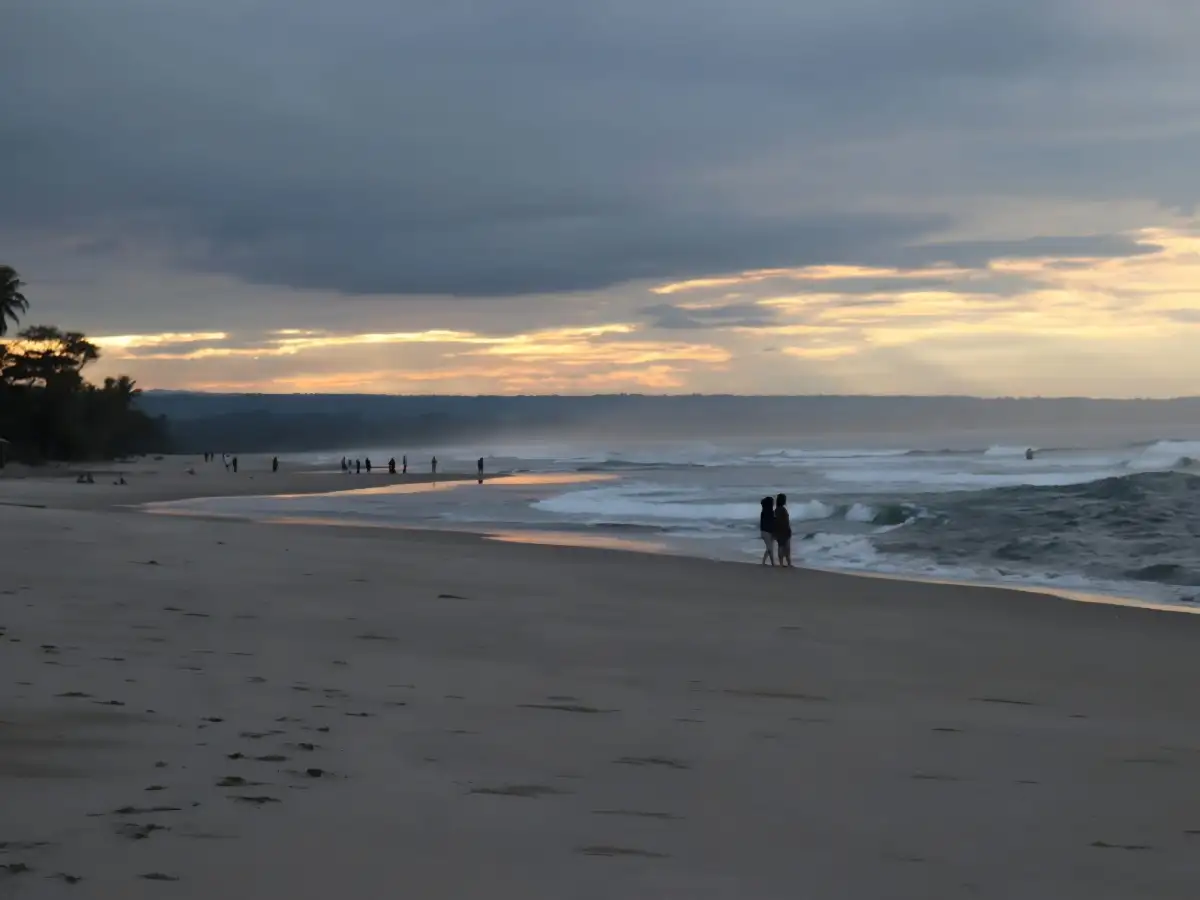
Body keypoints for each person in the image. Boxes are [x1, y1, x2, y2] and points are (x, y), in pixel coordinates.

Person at [774, 493, 792, 568]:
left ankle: (782, 563)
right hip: (784, 530)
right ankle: (788, 563)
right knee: (786, 548)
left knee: (781, 546)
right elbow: (785, 521)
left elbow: (776, 521)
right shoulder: (782, 510)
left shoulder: (777, 510)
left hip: (779, 531)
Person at [759, 496, 777, 566]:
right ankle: (772, 563)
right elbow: (772, 522)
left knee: (769, 548)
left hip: (765, 532)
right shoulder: (770, 512)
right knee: (770, 548)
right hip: (767, 532)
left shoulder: (764, 512)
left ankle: (764, 562)